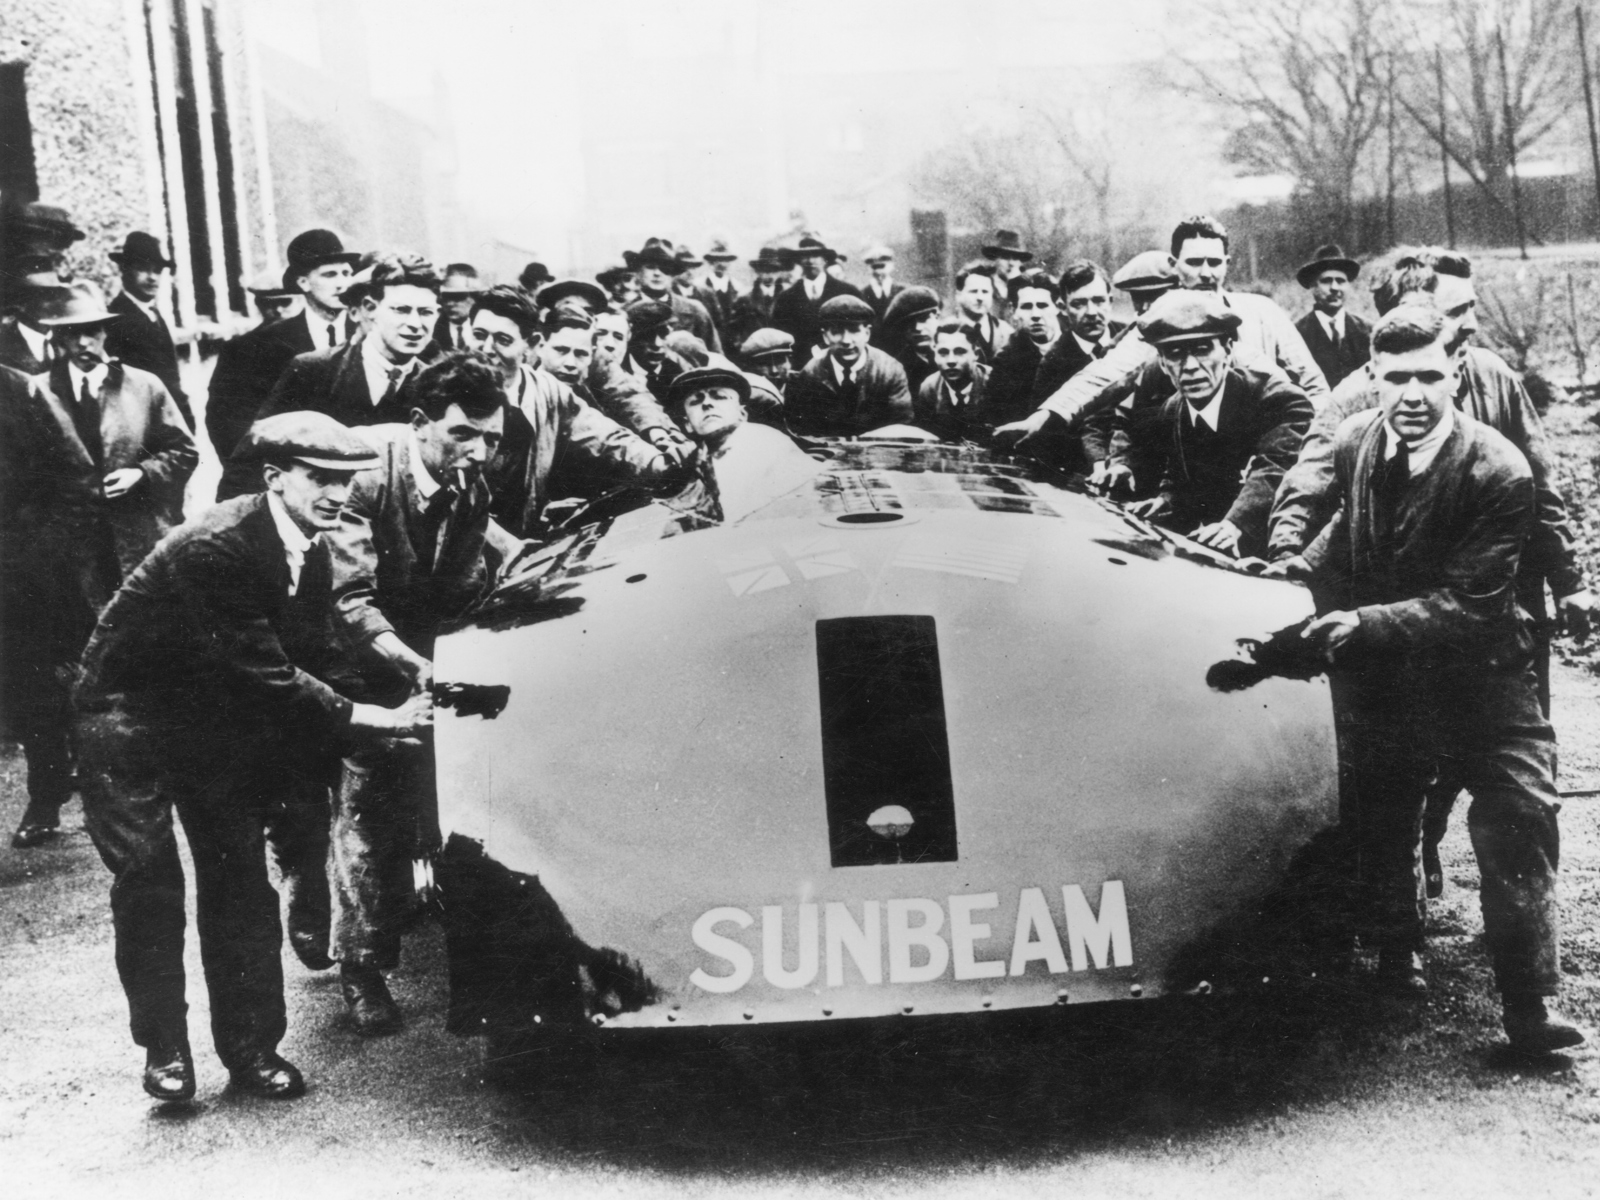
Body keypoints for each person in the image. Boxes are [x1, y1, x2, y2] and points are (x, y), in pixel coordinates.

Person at [73, 412, 428, 1102]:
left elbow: (313, 653)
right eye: (319, 479)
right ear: (275, 478)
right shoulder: (219, 546)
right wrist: (374, 718)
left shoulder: (313, 549)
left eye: (346, 481)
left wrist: (388, 715)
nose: (335, 494)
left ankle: (251, 1050)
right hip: (124, 712)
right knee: (150, 882)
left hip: (209, 716)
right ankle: (165, 1051)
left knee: (238, 882)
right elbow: (265, 672)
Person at [1267, 305, 1584, 1054]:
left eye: (1429, 377)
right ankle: (1397, 945)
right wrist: (1293, 575)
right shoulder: (1355, 443)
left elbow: (1471, 607)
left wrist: (1359, 624)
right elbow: (1348, 533)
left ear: (1456, 375)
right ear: (1372, 377)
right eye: (1396, 377)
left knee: (1518, 811)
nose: (1412, 394)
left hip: (1486, 675)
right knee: (1381, 803)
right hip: (1390, 673)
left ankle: (1530, 1002)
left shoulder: (1499, 469)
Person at [325, 352, 520, 1036]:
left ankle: (412, 907)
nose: (481, 452)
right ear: (420, 423)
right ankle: (358, 965)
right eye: (464, 434)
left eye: (494, 440)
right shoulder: (363, 474)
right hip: (342, 657)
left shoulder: (472, 489)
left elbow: (466, 587)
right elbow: (347, 600)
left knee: (446, 789)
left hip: (416, 652)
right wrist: (415, 669)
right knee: (366, 809)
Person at [7, 280, 197, 849]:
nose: (85, 343)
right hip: (65, 560)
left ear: (107, 332)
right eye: (72, 335)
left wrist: (142, 475)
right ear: (57, 341)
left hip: (138, 545)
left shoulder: (143, 386)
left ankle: (155, 777)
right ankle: (53, 795)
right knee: (61, 674)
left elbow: (184, 449)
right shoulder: (33, 394)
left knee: (147, 657)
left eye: (93, 331)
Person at [996, 215, 1327, 453]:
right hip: (1204, 461)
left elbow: (1312, 383)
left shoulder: (1262, 311)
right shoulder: (1162, 321)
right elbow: (1106, 374)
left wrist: (1314, 445)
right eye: (1195, 262)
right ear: (1175, 264)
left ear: (1227, 262)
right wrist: (1045, 416)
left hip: (1277, 453)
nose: (1206, 273)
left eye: (1215, 262)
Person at [1117, 289, 1312, 559]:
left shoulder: (1278, 400)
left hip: (1281, 553)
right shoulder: (1173, 410)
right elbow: (1181, 475)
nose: (1191, 367)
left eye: (1202, 350)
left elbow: (1275, 469)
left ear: (1228, 351)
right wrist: (1167, 501)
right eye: (1175, 354)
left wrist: (1235, 524)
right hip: (1219, 557)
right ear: (1162, 363)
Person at [466, 290, 676, 534]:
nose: (487, 349)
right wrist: (507, 547)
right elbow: (454, 498)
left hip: (521, 540)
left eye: (503, 340)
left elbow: (605, 438)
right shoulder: (448, 392)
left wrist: (658, 462)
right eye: (479, 335)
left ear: (531, 344)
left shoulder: (546, 390)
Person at [208, 228, 363, 499]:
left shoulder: (369, 339)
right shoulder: (252, 348)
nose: (342, 284)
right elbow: (228, 426)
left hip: (360, 485)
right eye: (330, 275)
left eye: (347, 274)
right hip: (289, 489)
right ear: (303, 283)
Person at [257, 254, 441, 431]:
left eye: (426, 312)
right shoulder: (311, 370)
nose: (415, 324)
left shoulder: (437, 383)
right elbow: (260, 445)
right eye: (401, 310)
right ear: (369, 308)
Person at [665, 365, 820, 523]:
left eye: (719, 397)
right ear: (688, 424)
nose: (707, 404)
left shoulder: (768, 444)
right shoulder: (691, 464)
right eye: (695, 402)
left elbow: (801, 510)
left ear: (742, 414)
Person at [784, 295, 913, 436]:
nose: (846, 340)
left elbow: (901, 426)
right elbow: (804, 429)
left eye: (854, 330)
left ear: (867, 333)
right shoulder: (810, 374)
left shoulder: (889, 371)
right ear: (825, 336)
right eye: (836, 331)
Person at [103, 231, 193, 429]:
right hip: (142, 423)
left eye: (157, 271)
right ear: (124, 270)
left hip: (170, 420)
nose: (152, 278)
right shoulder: (116, 319)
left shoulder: (154, 314)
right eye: (143, 269)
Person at [770, 235, 864, 367]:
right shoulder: (786, 298)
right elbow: (779, 336)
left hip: (841, 364)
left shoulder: (848, 292)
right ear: (799, 261)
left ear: (825, 260)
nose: (810, 261)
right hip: (801, 366)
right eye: (804, 256)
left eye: (815, 255)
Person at [623, 237, 721, 353]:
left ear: (672, 274)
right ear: (639, 272)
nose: (657, 273)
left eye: (664, 268)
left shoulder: (695, 311)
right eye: (650, 267)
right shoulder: (626, 313)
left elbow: (716, 358)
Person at [1294, 244, 1371, 388]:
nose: (1335, 288)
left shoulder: (1368, 330)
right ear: (1312, 286)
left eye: (1341, 281)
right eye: (1326, 281)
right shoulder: (1296, 334)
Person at [913, 320, 1001, 442]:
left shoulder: (996, 382)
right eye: (943, 353)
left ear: (975, 354)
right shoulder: (929, 389)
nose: (951, 360)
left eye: (960, 352)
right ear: (935, 355)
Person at [878, 285, 942, 396]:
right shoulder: (899, 367)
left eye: (923, 319)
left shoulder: (954, 353)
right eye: (910, 323)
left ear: (937, 317)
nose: (917, 328)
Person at [727, 245, 791, 351]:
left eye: (773, 271)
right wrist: (741, 348)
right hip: (754, 353)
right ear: (758, 272)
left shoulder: (787, 296)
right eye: (765, 271)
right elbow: (734, 330)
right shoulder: (745, 299)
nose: (769, 275)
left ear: (779, 272)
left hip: (782, 350)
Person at [953, 262, 1012, 361]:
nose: (980, 298)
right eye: (973, 291)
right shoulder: (946, 332)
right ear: (958, 295)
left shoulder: (1007, 331)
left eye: (985, 292)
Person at [435, 263, 484, 351]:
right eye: (446, 297)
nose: (450, 303)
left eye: (457, 297)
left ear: (474, 298)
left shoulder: (486, 330)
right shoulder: (433, 332)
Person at [861, 245, 905, 330]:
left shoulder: (903, 290)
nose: (878, 271)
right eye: (874, 266)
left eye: (882, 265)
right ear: (868, 268)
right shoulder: (861, 294)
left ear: (892, 265)